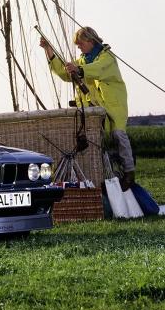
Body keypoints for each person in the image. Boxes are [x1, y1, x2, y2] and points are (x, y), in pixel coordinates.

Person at [40, 27, 135, 190]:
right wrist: (49, 50)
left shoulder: (107, 57)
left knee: (118, 134)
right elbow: (64, 74)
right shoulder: (82, 61)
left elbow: (98, 70)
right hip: (95, 108)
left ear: (91, 41)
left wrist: (79, 70)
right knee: (95, 140)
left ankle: (129, 172)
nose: (79, 47)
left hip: (114, 104)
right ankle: (104, 176)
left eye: (80, 44)